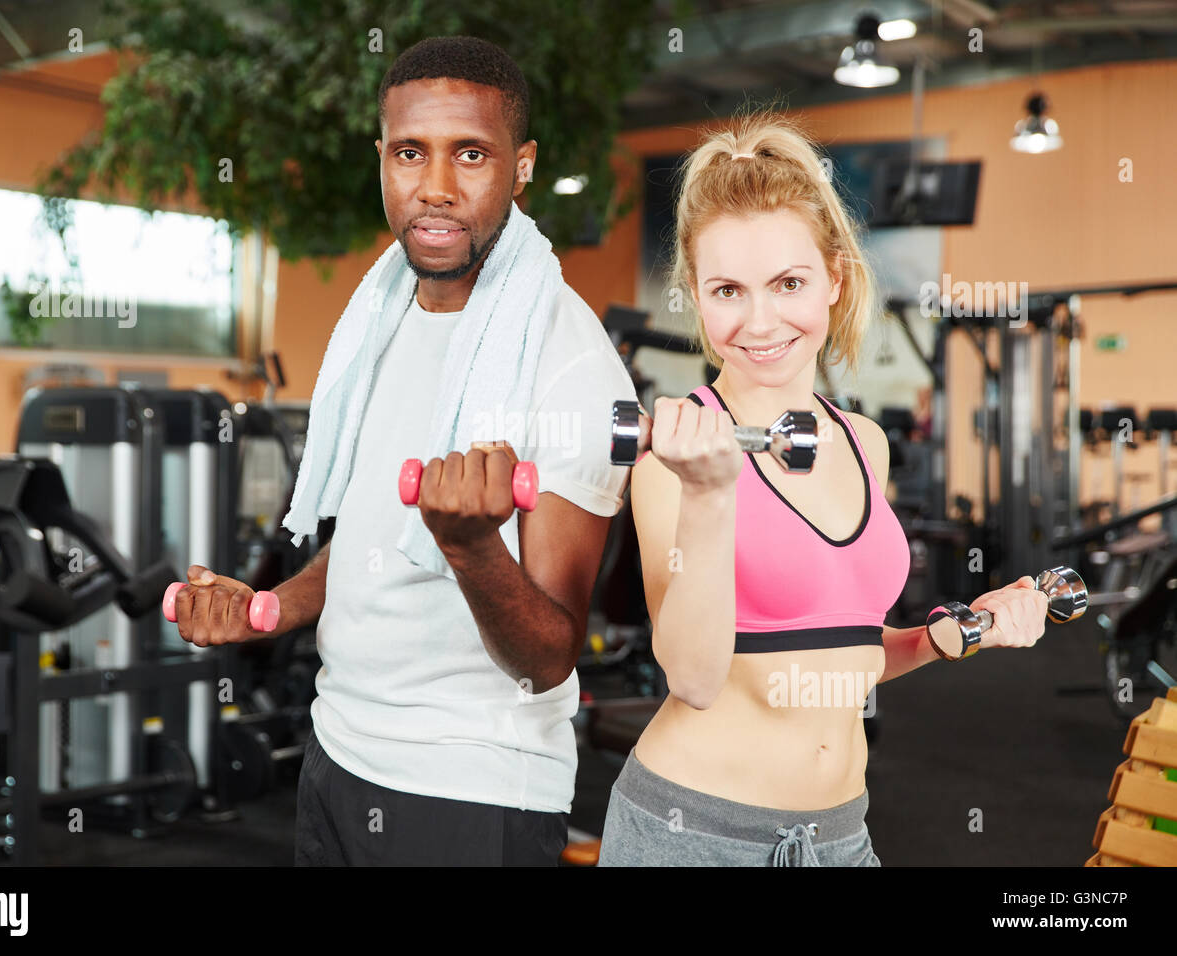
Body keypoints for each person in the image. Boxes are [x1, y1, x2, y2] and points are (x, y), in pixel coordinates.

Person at [167, 35, 637, 866]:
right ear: (381, 158)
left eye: (472, 155)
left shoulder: (570, 361)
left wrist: (469, 546)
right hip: (338, 754)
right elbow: (371, 537)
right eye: (412, 153)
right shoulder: (379, 319)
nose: (437, 189)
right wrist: (269, 607)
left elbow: (550, 659)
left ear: (522, 166)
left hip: (470, 792)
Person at [597, 112, 1051, 867]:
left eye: (788, 283)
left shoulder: (863, 441)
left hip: (841, 837)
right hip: (694, 835)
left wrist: (958, 630)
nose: (761, 320)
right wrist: (711, 495)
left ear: (835, 278)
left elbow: (844, 650)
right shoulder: (673, 456)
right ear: (698, 301)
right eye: (728, 291)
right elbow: (694, 677)